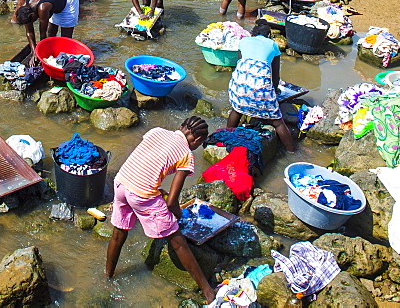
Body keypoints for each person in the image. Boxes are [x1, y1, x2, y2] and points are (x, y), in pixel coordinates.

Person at [105, 117, 216, 303]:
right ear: (197, 141)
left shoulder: (157, 130)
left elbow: (147, 162)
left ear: (181, 127)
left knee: (118, 233)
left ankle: (108, 276)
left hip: (122, 181)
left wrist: (159, 192)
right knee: (178, 242)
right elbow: (172, 202)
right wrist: (179, 217)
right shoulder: (186, 155)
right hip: (141, 193)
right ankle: (208, 291)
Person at [227, 24, 296, 152]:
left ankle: (227, 137)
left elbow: (241, 65)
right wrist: (274, 93)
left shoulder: (243, 41)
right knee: (277, 122)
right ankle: (291, 150)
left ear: (252, 33)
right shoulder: (272, 45)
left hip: (239, 86)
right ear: (268, 35)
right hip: (260, 88)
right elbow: (275, 75)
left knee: (236, 110)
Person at [13, 0, 80, 56]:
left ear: (33, 15)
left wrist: (40, 53)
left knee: (65, 38)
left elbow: (43, 34)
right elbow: (29, 32)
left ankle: (64, 54)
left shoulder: (43, 8)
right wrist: (33, 52)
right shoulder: (25, 10)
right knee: (51, 33)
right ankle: (53, 50)